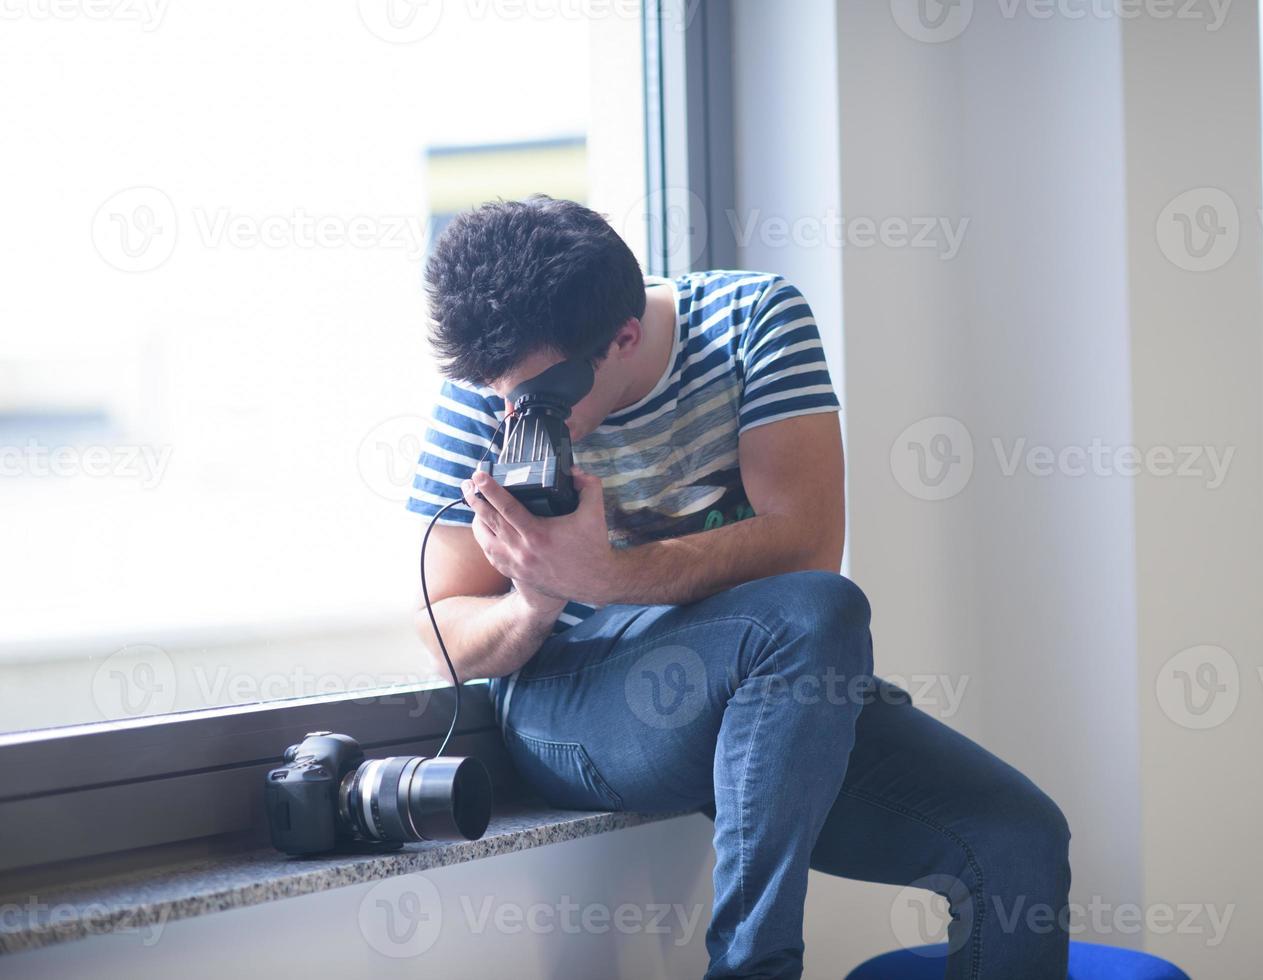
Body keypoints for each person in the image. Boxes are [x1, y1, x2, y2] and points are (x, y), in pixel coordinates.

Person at [407, 196, 1070, 979]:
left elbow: (806, 548)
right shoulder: (489, 392)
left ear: (621, 338)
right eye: (497, 395)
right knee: (810, 620)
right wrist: (538, 597)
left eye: (536, 398)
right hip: (575, 702)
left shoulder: (751, 320)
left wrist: (612, 574)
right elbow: (442, 626)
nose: (513, 414)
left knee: (1014, 838)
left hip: (761, 679)